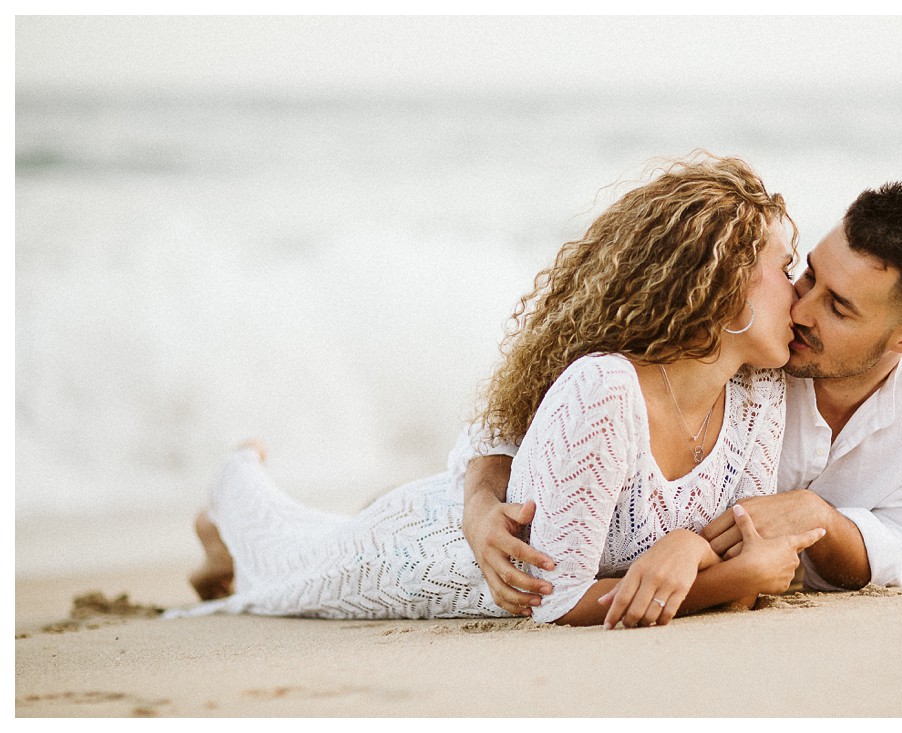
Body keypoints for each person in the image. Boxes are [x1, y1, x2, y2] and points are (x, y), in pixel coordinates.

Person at [169, 153, 827, 629]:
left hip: (494, 537)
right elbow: (553, 598)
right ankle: (231, 495)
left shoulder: (758, 396)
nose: (797, 290)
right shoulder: (606, 390)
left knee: (289, 548)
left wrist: (693, 551)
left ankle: (228, 532)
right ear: (719, 284)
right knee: (291, 561)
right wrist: (729, 579)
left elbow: (732, 538)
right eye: (783, 267)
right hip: (429, 552)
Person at [463, 181, 902, 615]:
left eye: (838, 308)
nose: (802, 309)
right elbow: (527, 417)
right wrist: (480, 504)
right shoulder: (751, 344)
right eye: (807, 274)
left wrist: (811, 519)